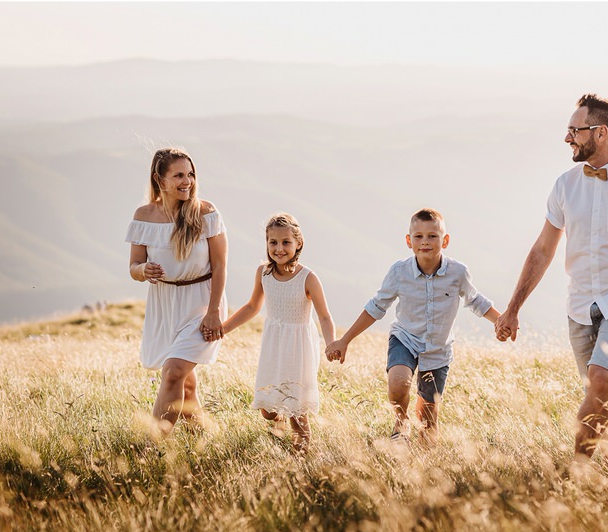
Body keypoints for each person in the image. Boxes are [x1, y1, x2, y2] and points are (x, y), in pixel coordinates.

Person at [496, 94, 608, 463]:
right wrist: (512, 309)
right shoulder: (565, 185)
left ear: (600, 133)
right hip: (579, 304)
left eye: (574, 131)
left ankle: (573, 475)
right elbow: (542, 250)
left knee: (599, 380)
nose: (568, 138)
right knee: (603, 396)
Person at [326, 208, 501, 442]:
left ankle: (424, 465)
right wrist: (344, 340)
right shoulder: (399, 272)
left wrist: (500, 320)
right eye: (418, 236)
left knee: (428, 424)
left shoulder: (458, 272)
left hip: (438, 349)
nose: (425, 242)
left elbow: (476, 301)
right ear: (409, 241)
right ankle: (400, 422)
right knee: (399, 382)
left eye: (432, 236)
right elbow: (376, 307)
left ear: (445, 240)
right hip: (405, 339)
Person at [125, 147, 227, 437]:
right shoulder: (143, 215)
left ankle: (151, 448)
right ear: (160, 179)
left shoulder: (206, 212)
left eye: (191, 174)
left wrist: (213, 312)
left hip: (201, 302)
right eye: (179, 175)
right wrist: (143, 271)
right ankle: (204, 440)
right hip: (164, 303)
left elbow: (220, 267)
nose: (188, 181)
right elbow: (133, 266)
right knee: (186, 382)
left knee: (172, 374)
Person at [221, 213, 336, 451]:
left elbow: (324, 316)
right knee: (267, 410)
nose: (279, 248)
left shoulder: (308, 278)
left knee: (296, 410)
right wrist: (224, 329)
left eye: (286, 242)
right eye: (273, 242)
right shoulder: (263, 273)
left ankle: (300, 457)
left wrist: (331, 343)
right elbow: (253, 306)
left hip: (298, 347)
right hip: (273, 345)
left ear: (298, 244)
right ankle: (279, 421)